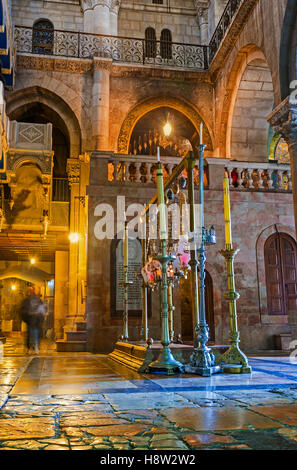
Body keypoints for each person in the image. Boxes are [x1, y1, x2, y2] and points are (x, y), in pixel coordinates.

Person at [20, 287, 47, 354]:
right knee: (32, 334)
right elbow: (23, 310)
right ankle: (31, 348)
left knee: (35, 334)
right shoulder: (28, 300)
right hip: (31, 320)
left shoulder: (36, 300)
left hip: (36, 320)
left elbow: (43, 308)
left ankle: (34, 348)